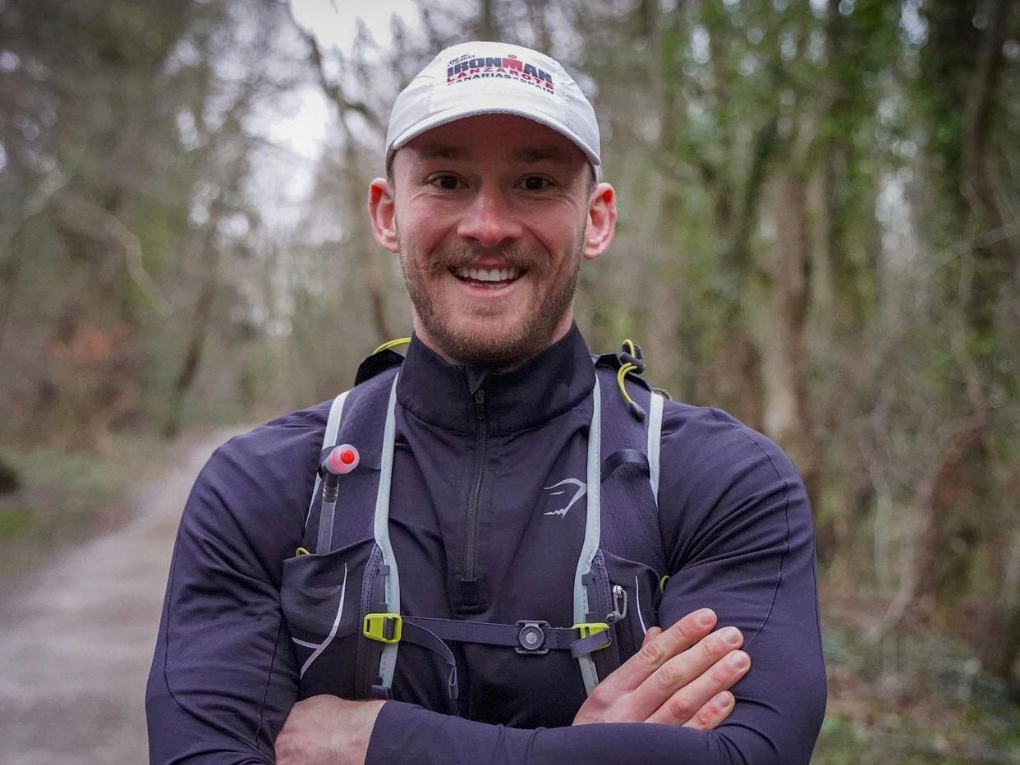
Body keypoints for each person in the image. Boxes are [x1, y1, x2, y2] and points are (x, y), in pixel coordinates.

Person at [146, 41, 826, 765]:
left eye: (534, 181)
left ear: (596, 219)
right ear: (387, 213)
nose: (488, 225)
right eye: (446, 179)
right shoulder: (263, 486)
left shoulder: (722, 481)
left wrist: (380, 740)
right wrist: (583, 752)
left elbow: (745, 756)